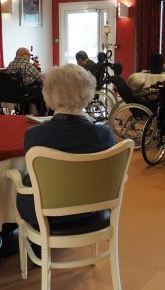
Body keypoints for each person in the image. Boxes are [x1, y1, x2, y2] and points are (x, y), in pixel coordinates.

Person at [17, 64, 115, 227]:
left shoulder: (34, 135)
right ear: (89, 93)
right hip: (90, 208)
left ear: (48, 95)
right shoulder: (104, 135)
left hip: (42, 212)